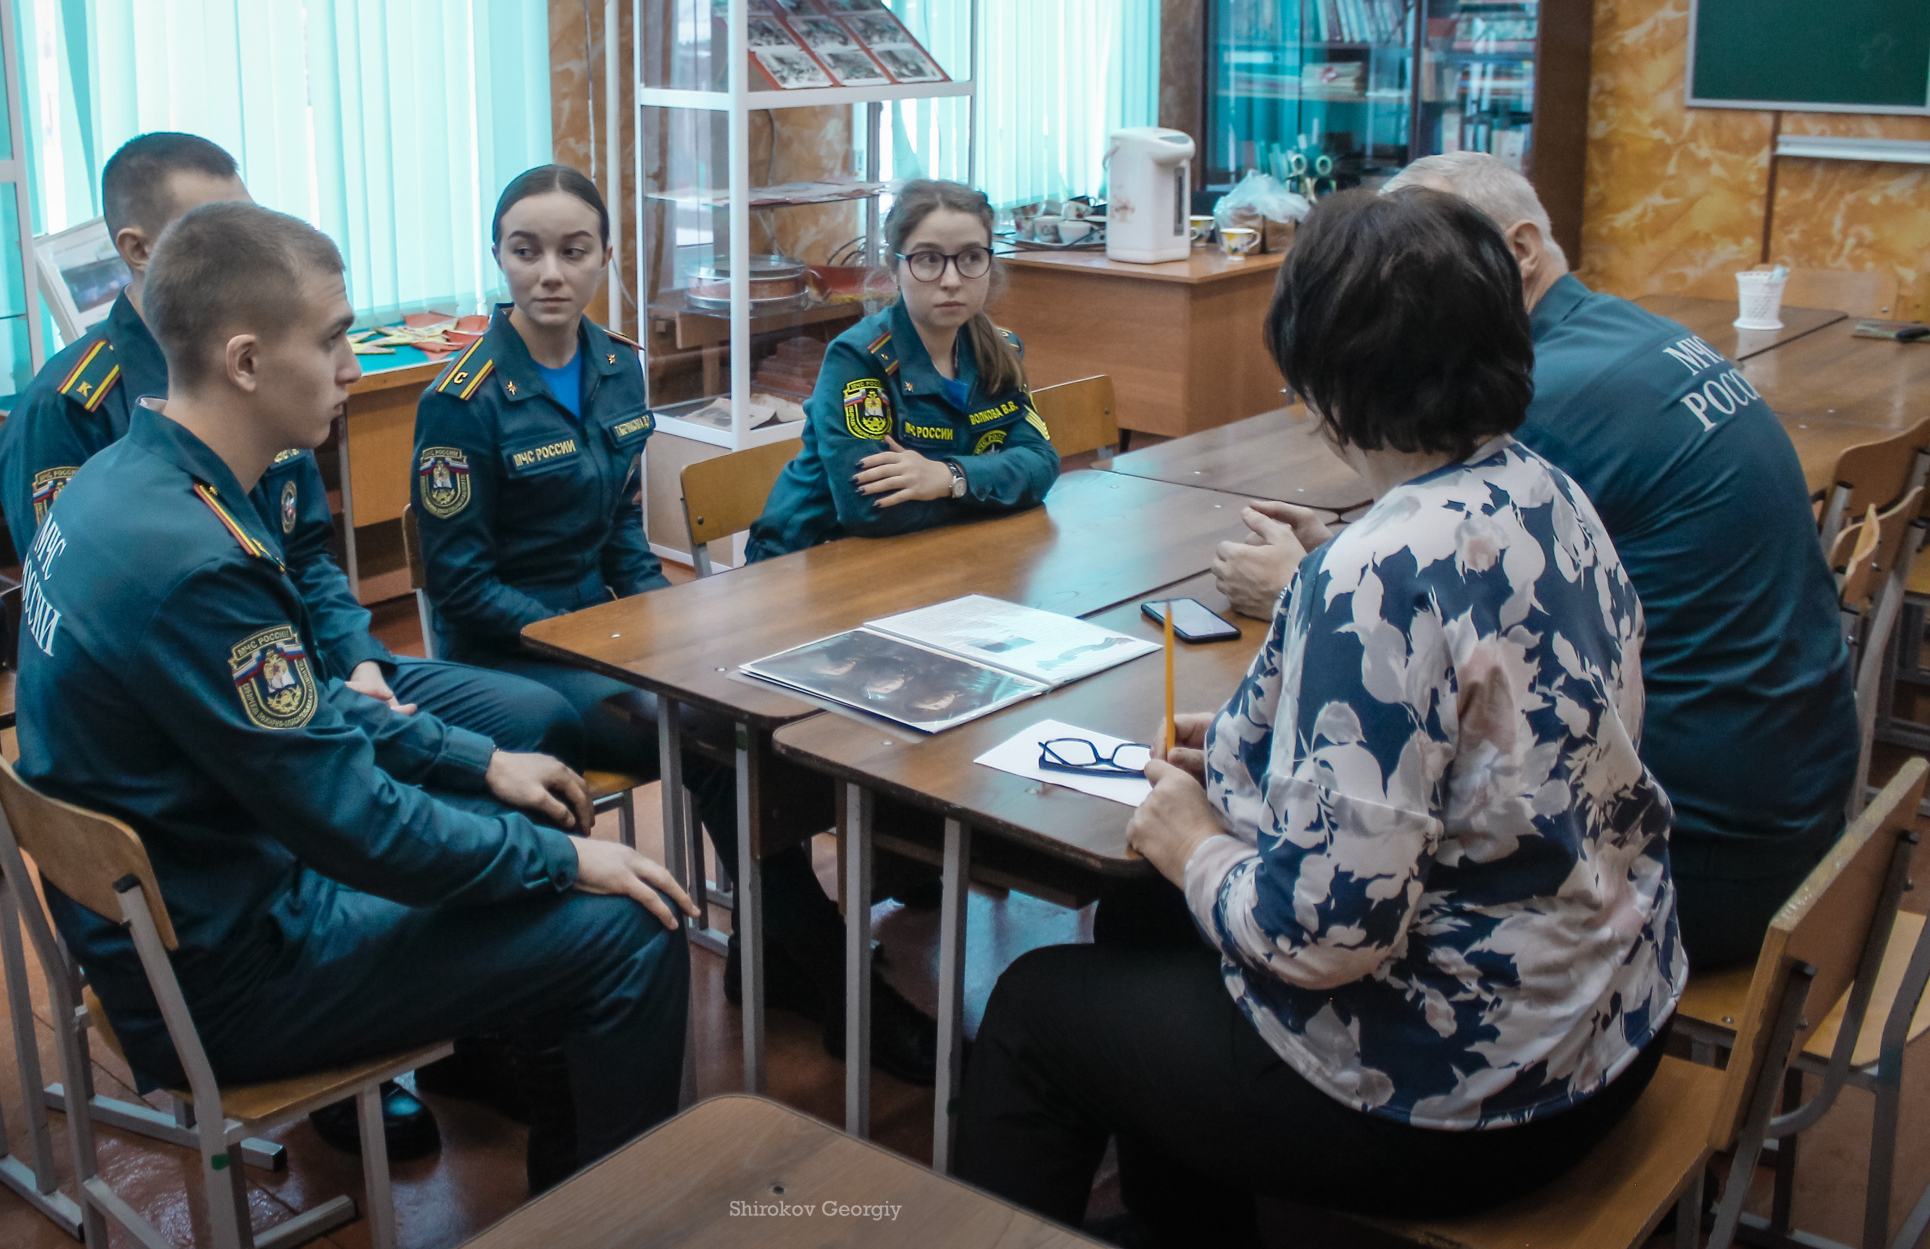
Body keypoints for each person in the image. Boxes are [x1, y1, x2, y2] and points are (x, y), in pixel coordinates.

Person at [955, 187, 1683, 1246]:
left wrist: (1196, 843)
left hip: (1472, 1088)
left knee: (1035, 1012)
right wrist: (1260, 742)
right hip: (1611, 1010)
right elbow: (1481, 745)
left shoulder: (1372, 573)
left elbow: (1323, 938)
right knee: (1142, 920)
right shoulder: (1549, 494)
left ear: (1320, 377)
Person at [15, 200, 694, 1192]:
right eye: (333, 340)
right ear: (246, 362)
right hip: (232, 971)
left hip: (191, 910)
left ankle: (564, 1169)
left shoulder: (126, 479)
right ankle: (610, 1218)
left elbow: (302, 714)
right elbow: (354, 823)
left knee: (510, 807)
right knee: (629, 926)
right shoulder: (198, 561)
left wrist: (477, 762)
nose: (352, 370)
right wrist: (562, 861)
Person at [1212, 151, 1858, 970]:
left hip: (1685, 857)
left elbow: (1418, 620)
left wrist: (1303, 589)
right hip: (1799, 803)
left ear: (1514, 252)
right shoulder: (1622, 341)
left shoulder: (1547, 407)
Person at [410, 164, 940, 1086]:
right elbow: (459, 586)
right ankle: (835, 979)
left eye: (574, 250)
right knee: (713, 737)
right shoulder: (461, 399)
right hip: (508, 662)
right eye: (526, 251)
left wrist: (670, 624)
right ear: (497, 256)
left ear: (606, 257)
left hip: (608, 633)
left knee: (755, 704)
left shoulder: (618, 364)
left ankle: (775, 953)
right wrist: (598, 635)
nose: (550, 273)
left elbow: (621, 527)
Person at [748, 180, 1058, 560]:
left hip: (935, 553)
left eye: (971, 257)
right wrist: (992, 485)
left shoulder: (1000, 350)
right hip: (807, 559)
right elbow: (871, 510)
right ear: (894, 270)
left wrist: (949, 477)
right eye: (928, 259)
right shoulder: (856, 359)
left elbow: (1041, 464)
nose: (951, 280)